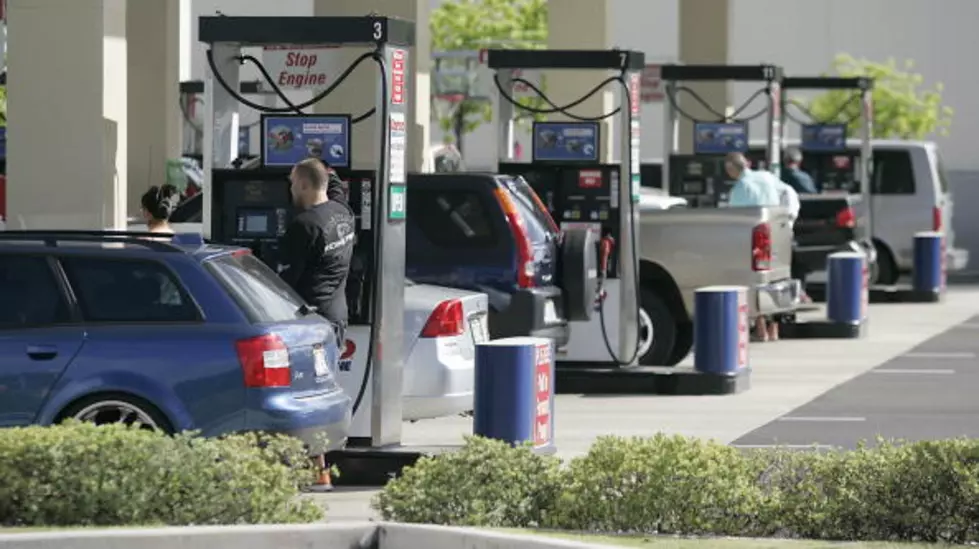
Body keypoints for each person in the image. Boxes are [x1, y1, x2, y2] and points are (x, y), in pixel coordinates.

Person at [278, 158, 356, 344]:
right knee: (327, 373)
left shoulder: (304, 225)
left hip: (310, 325)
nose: (291, 189)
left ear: (304, 185)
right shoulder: (343, 211)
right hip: (336, 318)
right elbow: (334, 184)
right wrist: (324, 167)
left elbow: (284, 283)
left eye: (293, 183)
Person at [722, 153, 785, 342]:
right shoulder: (766, 176)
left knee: (755, 280)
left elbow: (734, 218)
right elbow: (785, 193)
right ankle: (774, 329)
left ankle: (761, 330)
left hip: (756, 238)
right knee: (776, 280)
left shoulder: (741, 188)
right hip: (777, 232)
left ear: (732, 169)